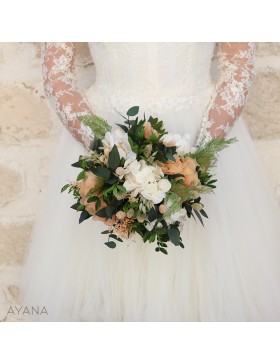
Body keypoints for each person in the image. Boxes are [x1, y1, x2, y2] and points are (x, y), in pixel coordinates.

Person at [20, 42, 280, 321]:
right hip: (108, 130)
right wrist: (112, 155)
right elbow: (57, 74)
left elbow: (239, 67)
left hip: (198, 129)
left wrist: (197, 159)